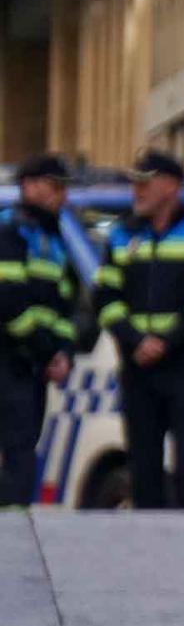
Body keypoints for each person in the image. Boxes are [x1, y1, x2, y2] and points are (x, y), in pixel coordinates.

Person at [93, 151, 184, 508]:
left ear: (170, 185)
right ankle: (149, 542)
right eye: (135, 182)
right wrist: (136, 340)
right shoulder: (122, 234)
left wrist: (168, 342)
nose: (137, 190)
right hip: (139, 366)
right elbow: (105, 298)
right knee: (143, 466)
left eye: (145, 182)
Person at [0, 155, 76, 508]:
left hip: (32, 365)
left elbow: (63, 306)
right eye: (54, 186)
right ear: (28, 185)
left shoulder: (53, 238)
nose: (61, 195)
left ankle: (15, 531)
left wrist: (62, 351)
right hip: (9, 358)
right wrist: (48, 352)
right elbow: (9, 303)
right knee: (16, 452)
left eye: (64, 188)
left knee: (23, 449)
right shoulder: (9, 229)